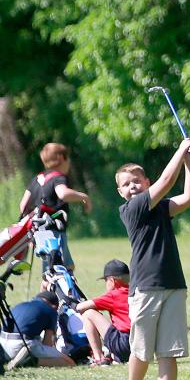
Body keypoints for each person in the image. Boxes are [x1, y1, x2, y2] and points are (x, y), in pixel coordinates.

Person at [115, 138, 190, 380]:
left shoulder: (160, 207)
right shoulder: (132, 209)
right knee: (141, 350)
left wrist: (189, 163)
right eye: (126, 184)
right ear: (120, 192)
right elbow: (166, 180)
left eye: (136, 181)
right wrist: (180, 150)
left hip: (173, 283)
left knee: (168, 351)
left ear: (145, 181)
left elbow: (188, 197)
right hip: (146, 287)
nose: (132, 187)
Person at [18, 142, 92, 273]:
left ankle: (47, 293)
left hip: (38, 230)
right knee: (63, 269)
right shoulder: (58, 177)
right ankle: (60, 293)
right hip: (54, 231)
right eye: (67, 158)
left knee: (51, 270)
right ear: (61, 158)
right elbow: (63, 194)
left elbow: (23, 205)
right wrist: (84, 197)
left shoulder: (38, 178)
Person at [75, 259, 131, 366]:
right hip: (140, 344)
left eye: (106, 280)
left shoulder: (114, 295)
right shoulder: (134, 292)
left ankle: (98, 358)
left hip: (123, 344)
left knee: (88, 313)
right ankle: (114, 356)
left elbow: (80, 307)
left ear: (112, 280)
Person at [0, 291, 74, 367]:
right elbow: (47, 344)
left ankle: (19, 358)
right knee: (69, 362)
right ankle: (29, 362)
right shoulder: (51, 310)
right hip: (22, 345)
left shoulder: (19, 305)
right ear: (54, 306)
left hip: (3, 347)